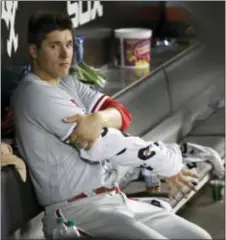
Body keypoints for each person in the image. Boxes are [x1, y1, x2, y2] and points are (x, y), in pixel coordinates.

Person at [11, 12, 212, 239]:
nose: (66, 53)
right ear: (34, 51)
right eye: (54, 46)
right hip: (75, 210)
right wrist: (166, 160)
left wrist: (99, 119)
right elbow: (100, 145)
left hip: (112, 199)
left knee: (198, 237)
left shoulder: (68, 83)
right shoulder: (35, 94)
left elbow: (121, 114)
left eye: (68, 44)